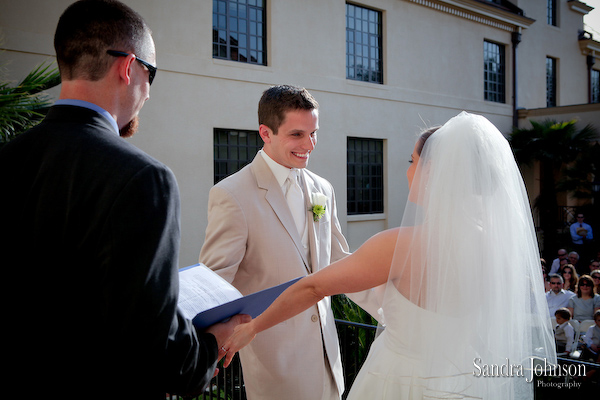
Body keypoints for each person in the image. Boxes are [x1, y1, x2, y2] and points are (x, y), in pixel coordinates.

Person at [0, 1, 247, 398]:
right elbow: (155, 349)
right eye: (152, 76)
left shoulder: (6, 158)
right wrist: (214, 343)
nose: (148, 94)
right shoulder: (143, 178)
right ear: (128, 67)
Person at [222, 112, 556, 399]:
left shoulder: (401, 246)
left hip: (401, 382)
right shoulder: (494, 246)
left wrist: (254, 328)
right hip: (470, 383)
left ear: (434, 172)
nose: (408, 170)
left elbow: (312, 288)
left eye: (412, 161)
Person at [199, 84, 380, 400]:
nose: (309, 145)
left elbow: (340, 262)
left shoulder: (323, 187)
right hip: (276, 369)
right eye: (297, 134)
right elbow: (212, 286)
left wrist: (394, 309)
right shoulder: (232, 195)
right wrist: (201, 354)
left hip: (329, 362)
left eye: (314, 133)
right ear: (265, 133)